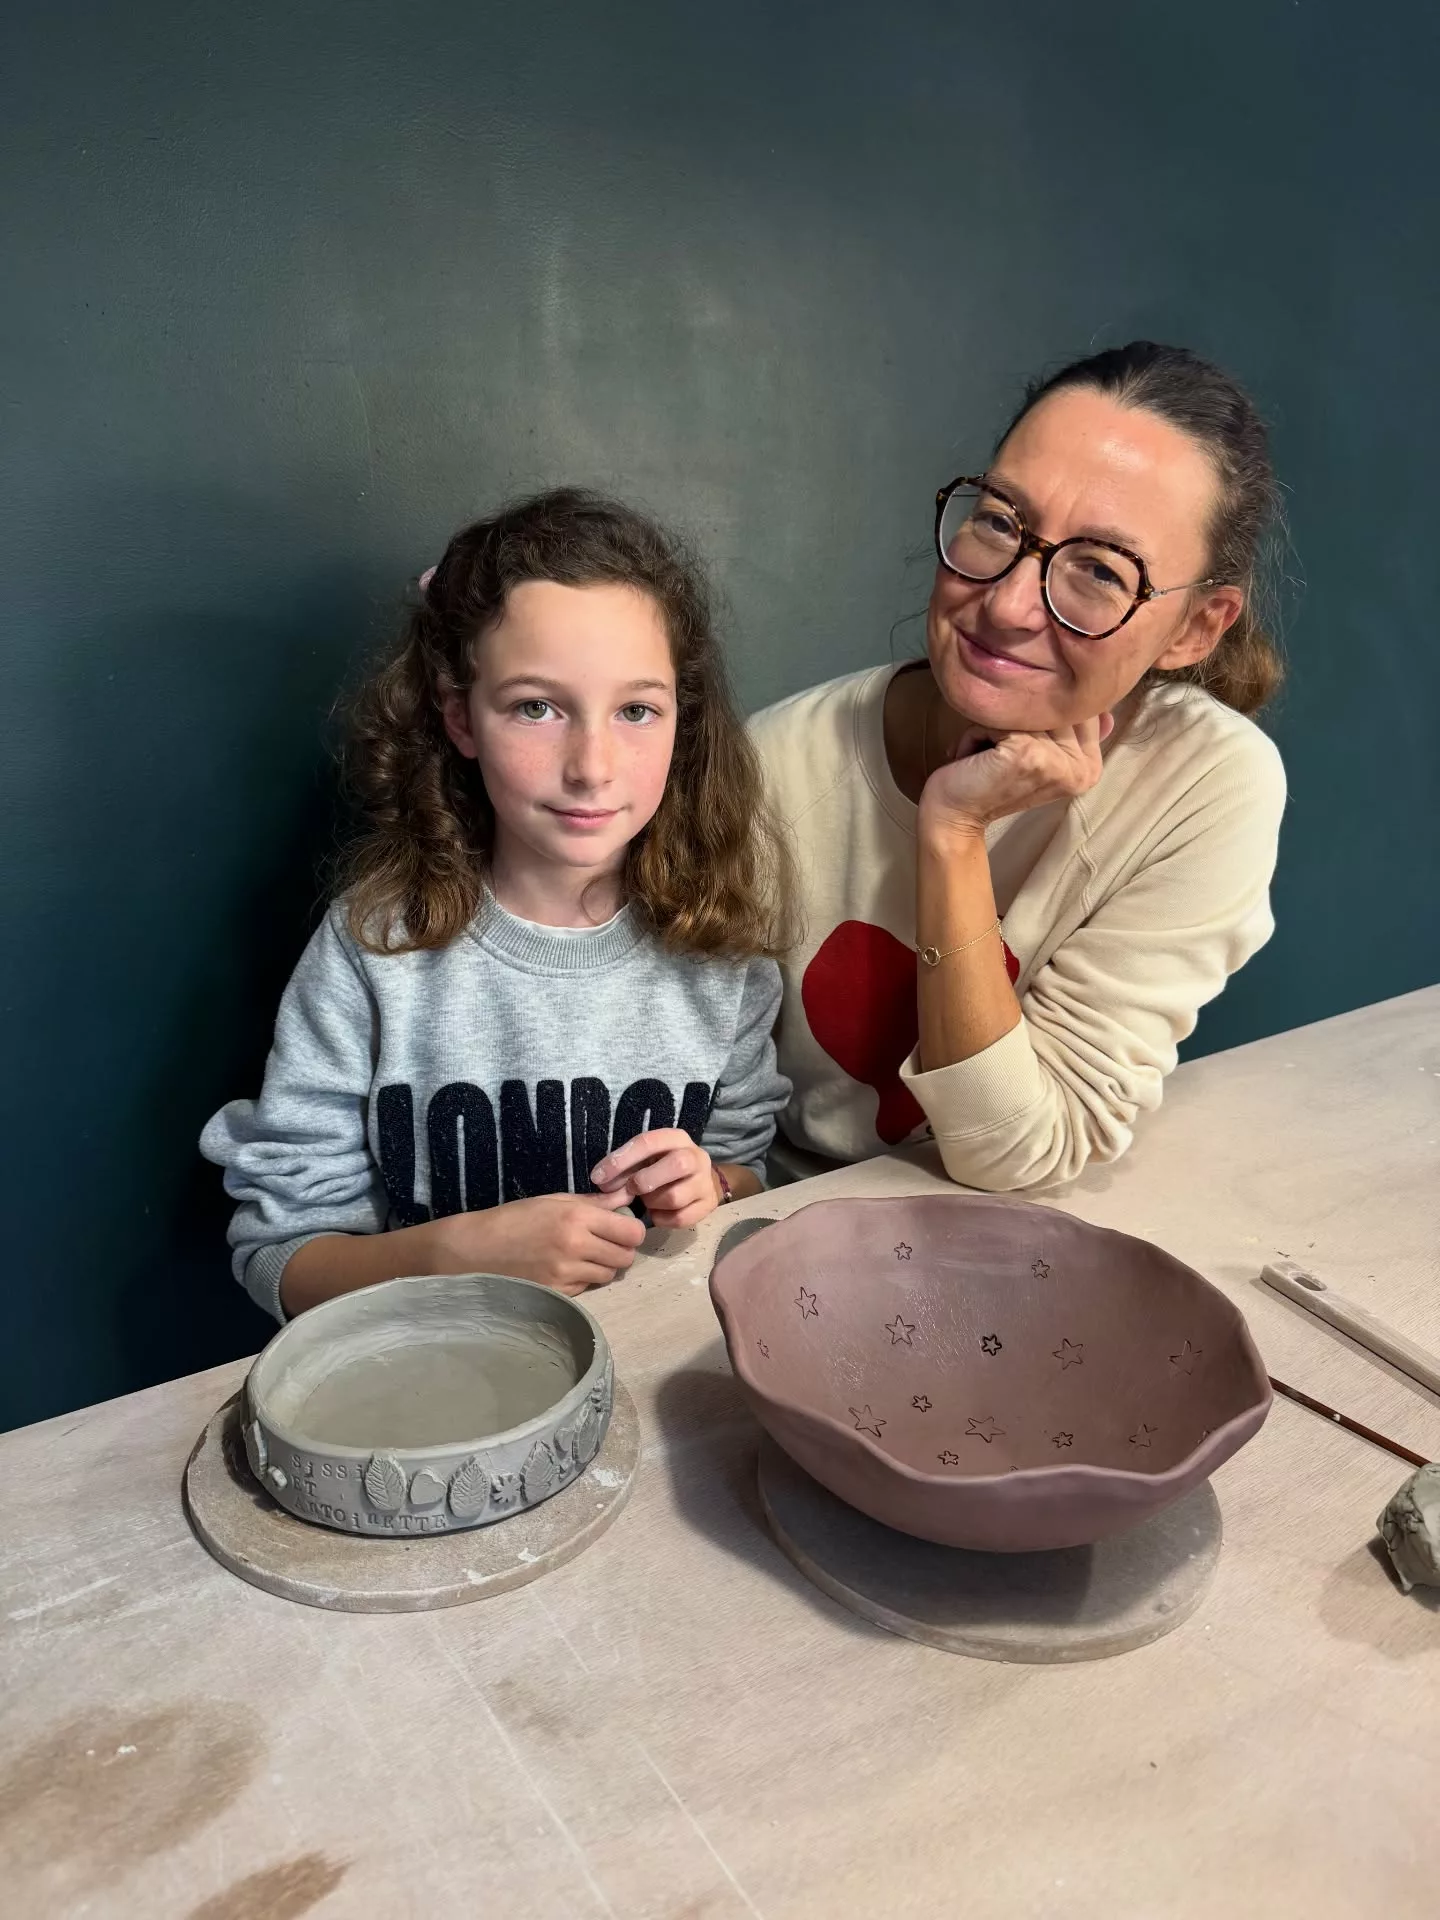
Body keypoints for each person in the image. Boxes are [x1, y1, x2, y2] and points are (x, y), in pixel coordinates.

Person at [202, 489, 792, 1320]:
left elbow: (747, 1171)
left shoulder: (722, 954)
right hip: (436, 1367)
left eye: (636, 710)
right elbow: (280, 1256)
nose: (592, 767)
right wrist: (453, 1256)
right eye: (536, 707)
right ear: (460, 718)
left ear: (680, 721)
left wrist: (711, 1185)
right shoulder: (374, 950)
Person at [752, 341, 1287, 1191]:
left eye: (1101, 571)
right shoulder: (770, 767)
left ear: (1196, 629)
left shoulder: (1205, 784)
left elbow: (1013, 1156)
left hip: (1018, 1227)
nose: (1005, 605)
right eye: (1001, 521)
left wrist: (953, 834)